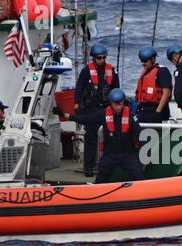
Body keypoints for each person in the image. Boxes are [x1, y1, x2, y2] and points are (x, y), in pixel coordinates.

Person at [54, 88, 145, 184]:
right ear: (111, 103)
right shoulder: (103, 114)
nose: (118, 107)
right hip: (110, 155)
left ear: (123, 103)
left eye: (120, 104)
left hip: (127, 154)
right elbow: (86, 119)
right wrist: (64, 114)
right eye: (115, 104)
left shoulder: (131, 117)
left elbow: (140, 134)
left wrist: (148, 155)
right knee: (100, 181)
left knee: (140, 178)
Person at [74, 44, 120, 177]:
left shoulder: (111, 70)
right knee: (91, 138)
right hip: (92, 110)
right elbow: (79, 89)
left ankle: (107, 165)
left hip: (107, 109)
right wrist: (77, 105)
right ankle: (89, 166)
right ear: (93, 58)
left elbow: (116, 89)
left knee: (110, 137)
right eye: (99, 58)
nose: (102, 60)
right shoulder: (86, 71)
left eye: (104, 58)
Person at [135, 46, 172, 123]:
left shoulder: (161, 72)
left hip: (156, 110)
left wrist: (158, 111)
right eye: (141, 61)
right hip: (144, 110)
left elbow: (167, 93)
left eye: (145, 61)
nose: (143, 63)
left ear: (153, 59)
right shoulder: (145, 72)